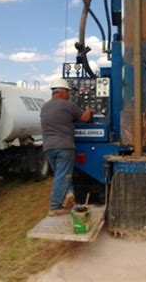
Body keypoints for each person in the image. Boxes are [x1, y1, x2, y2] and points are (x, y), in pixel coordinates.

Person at [40, 78, 93, 216]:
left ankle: (69, 195)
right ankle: (55, 207)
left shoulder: (45, 106)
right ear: (62, 92)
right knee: (63, 176)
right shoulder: (68, 105)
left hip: (48, 147)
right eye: (68, 92)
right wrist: (89, 109)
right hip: (64, 146)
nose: (69, 95)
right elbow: (85, 118)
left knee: (61, 174)